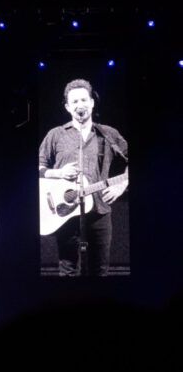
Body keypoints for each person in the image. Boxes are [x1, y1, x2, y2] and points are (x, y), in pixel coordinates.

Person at [38, 79, 128, 276]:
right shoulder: (56, 135)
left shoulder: (108, 134)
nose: (80, 105)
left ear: (92, 102)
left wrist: (123, 183)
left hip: (99, 212)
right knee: (67, 270)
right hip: (65, 214)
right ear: (67, 107)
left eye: (84, 100)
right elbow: (37, 168)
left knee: (100, 270)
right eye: (75, 102)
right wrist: (58, 173)